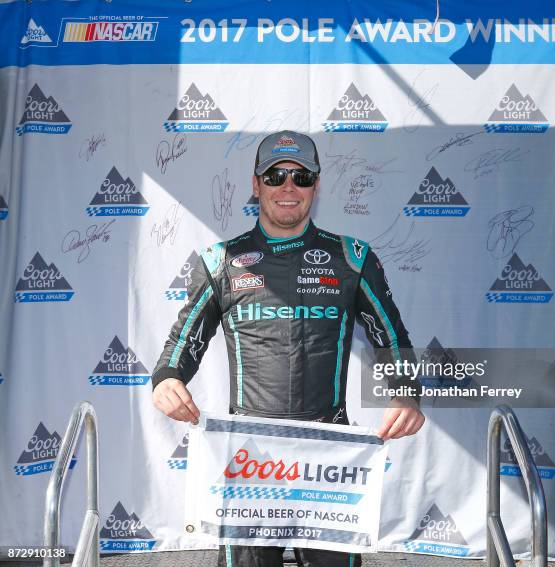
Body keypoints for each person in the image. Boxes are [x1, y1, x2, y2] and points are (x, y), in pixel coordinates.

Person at [152, 130, 425, 567]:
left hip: (330, 455)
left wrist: (406, 392)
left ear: (316, 186)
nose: (288, 187)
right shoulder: (221, 260)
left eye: (301, 176)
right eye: (276, 175)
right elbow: (182, 342)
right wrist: (166, 379)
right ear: (256, 184)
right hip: (249, 457)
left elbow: (391, 337)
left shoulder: (353, 257)